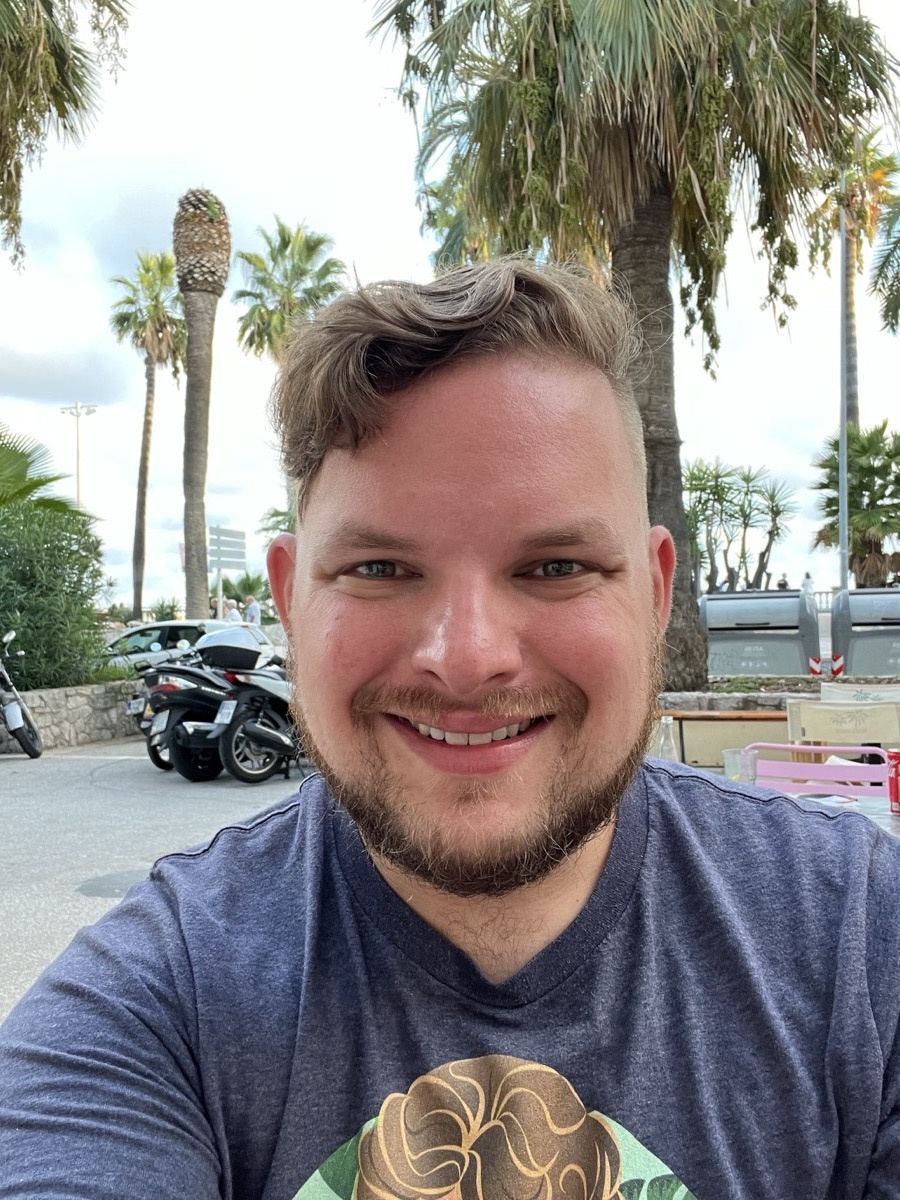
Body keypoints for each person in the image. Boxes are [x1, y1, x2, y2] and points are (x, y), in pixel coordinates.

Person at [1, 259, 898, 1199]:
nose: (467, 659)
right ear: (291, 601)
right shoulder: (151, 1008)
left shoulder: (864, 947)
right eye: (381, 569)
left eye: (555, 567)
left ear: (656, 593)